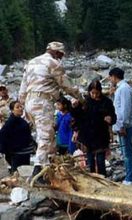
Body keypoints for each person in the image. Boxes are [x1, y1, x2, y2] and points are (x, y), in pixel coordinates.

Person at [19, 41, 82, 183]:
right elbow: (67, 86)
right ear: (56, 52)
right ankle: (39, 172)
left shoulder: (31, 62)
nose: (60, 58)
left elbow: (23, 88)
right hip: (43, 102)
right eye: (60, 55)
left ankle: (51, 167)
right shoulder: (53, 63)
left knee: (48, 135)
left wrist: (23, 106)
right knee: (45, 137)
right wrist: (81, 98)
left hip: (30, 101)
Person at [71, 80, 116, 176]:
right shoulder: (85, 102)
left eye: (97, 93)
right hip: (87, 135)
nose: (94, 96)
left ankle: (103, 179)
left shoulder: (106, 102)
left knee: (100, 161)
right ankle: (93, 178)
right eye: (92, 93)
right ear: (89, 92)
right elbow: (77, 117)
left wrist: (110, 119)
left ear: (100, 91)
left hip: (101, 135)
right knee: (90, 161)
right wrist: (75, 130)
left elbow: (113, 117)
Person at [109, 68, 132, 185]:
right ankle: (128, 174)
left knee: (127, 152)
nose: (110, 80)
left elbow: (125, 109)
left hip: (126, 125)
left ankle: (130, 177)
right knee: (124, 152)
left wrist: (122, 125)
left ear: (114, 77)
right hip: (122, 124)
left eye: (110, 77)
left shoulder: (124, 89)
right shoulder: (120, 88)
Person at [0, 101, 34, 173]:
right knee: (17, 175)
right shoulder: (11, 122)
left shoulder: (22, 121)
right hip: (17, 154)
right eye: (17, 107)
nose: (20, 108)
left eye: (21, 107)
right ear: (12, 110)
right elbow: (3, 135)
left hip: (25, 153)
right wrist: (7, 151)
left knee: (25, 174)